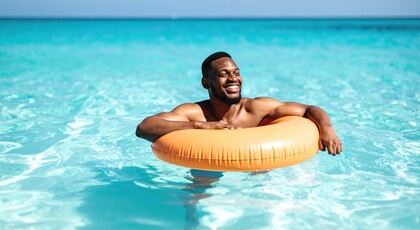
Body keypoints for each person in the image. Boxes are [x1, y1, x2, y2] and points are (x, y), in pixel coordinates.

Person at [136, 51, 342, 156]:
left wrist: (327, 129)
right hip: (206, 164)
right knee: (198, 191)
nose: (233, 79)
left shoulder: (256, 108)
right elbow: (145, 127)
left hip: (259, 166)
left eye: (236, 73)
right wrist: (200, 126)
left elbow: (308, 109)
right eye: (224, 75)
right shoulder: (195, 112)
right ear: (206, 82)